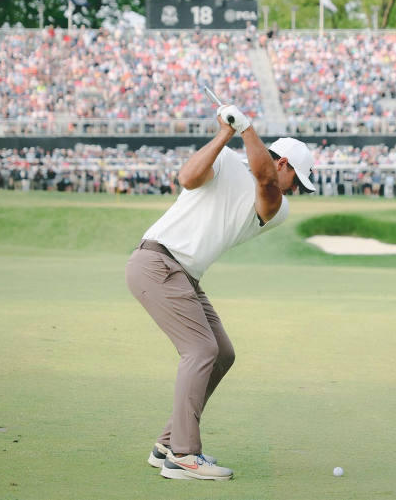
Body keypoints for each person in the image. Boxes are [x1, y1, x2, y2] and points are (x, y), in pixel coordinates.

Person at [125, 105, 315, 482]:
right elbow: (188, 177)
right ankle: (183, 455)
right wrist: (226, 133)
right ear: (284, 165)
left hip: (183, 274)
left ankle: (167, 444)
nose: (297, 189)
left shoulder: (278, 206)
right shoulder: (225, 159)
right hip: (157, 262)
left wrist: (246, 129)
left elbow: (263, 182)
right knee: (200, 350)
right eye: (298, 178)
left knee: (221, 353)